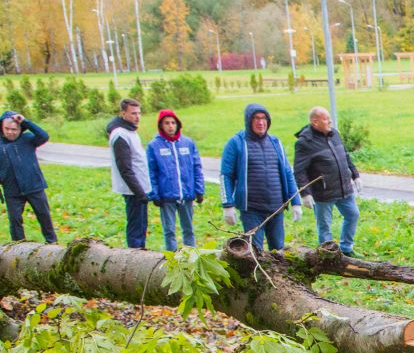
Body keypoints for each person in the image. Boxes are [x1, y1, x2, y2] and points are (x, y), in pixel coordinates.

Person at [220, 103, 301, 251]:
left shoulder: (275, 142)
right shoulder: (237, 143)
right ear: (248, 121)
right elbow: (226, 175)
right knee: (255, 252)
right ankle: (256, 274)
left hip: (276, 208)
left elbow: (288, 173)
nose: (260, 122)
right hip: (252, 209)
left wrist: (296, 201)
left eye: (264, 118)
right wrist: (228, 205)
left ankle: (276, 275)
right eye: (256, 118)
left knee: (278, 250)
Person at [293, 106, 362, 256]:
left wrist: (355, 175)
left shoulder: (334, 134)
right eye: (325, 119)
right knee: (325, 225)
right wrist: (305, 193)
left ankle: (346, 248)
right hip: (323, 192)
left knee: (353, 215)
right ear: (315, 122)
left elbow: (345, 156)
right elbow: (299, 170)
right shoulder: (305, 142)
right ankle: (327, 255)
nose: (329, 121)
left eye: (328, 117)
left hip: (344, 188)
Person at [146, 109, 205, 252]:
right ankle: (172, 257)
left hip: (186, 194)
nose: (170, 126)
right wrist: (155, 193)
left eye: (173, 123)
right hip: (167, 196)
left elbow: (197, 167)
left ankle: (191, 256)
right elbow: (151, 171)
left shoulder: (187, 143)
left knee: (189, 229)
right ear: (161, 125)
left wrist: (199, 189)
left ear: (178, 124)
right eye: (167, 123)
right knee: (169, 231)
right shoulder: (154, 146)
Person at [0, 111, 57, 243]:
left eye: (14, 129)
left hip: (34, 186)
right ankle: (19, 247)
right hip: (11, 190)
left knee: (44, 216)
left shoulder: (28, 139)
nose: (10, 132)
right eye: (7, 128)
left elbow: (44, 136)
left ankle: (52, 243)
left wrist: (25, 121)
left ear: (20, 129)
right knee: (15, 220)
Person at [107, 98, 151, 249]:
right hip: (133, 190)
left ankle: (141, 251)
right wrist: (140, 193)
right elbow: (125, 168)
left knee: (142, 225)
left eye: (139, 113)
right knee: (136, 227)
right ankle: (135, 255)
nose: (137, 116)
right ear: (123, 113)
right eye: (133, 113)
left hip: (140, 188)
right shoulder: (120, 135)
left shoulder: (130, 130)